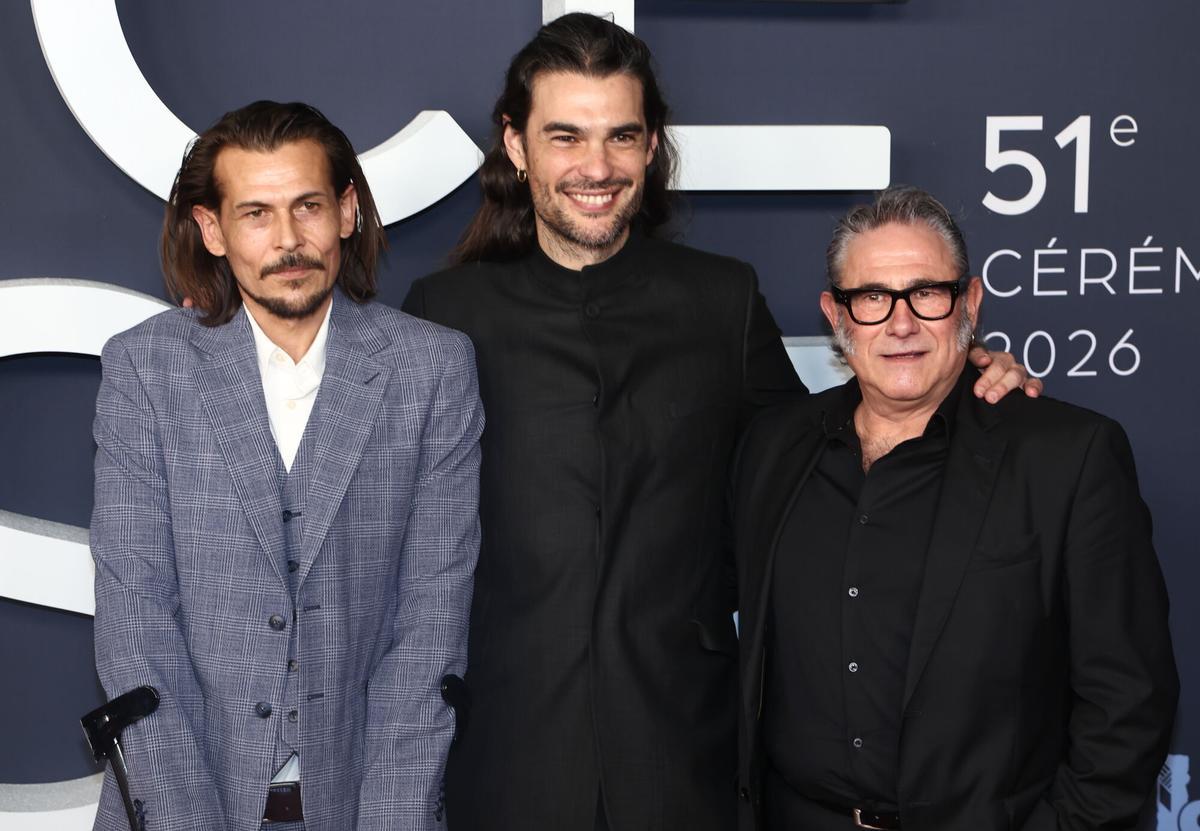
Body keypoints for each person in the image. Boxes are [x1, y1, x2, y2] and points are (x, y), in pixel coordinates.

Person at [403, 16, 1039, 831]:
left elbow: (827, 453)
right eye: (566, 136)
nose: (596, 167)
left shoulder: (721, 299)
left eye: (621, 135)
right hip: (502, 756)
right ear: (516, 145)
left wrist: (955, 372)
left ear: (651, 146)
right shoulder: (445, 314)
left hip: (685, 755)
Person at [732, 186, 1179, 831]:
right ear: (836, 315)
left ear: (968, 303)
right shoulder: (773, 448)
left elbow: (1129, 698)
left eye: (927, 293)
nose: (901, 324)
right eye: (873, 298)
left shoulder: (1067, 457)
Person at [90, 101, 483, 831]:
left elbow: (429, 628)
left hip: (364, 804)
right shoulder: (146, 369)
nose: (288, 240)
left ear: (346, 211)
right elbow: (136, 626)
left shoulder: (431, 368)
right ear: (212, 229)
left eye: (308, 206)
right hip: (183, 805)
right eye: (256, 214)